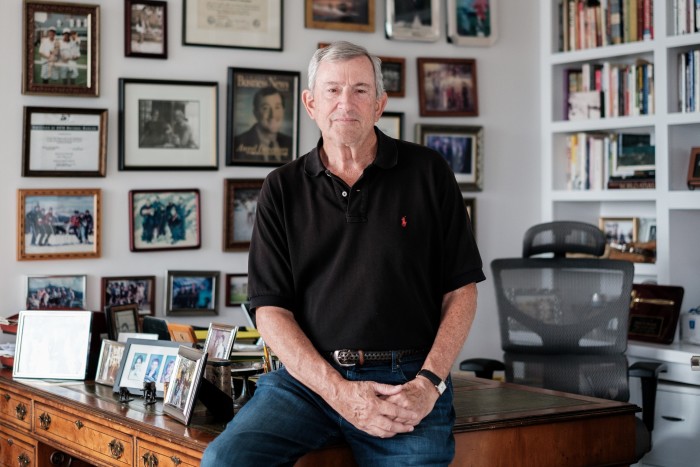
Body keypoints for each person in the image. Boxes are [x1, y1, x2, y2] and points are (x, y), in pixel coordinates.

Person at [201, 41, 484, 466]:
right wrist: (337, 390)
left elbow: (461, 291)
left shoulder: (429, 172)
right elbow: (271, 311)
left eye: (360, 90)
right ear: (311, 103)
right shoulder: (281, 187)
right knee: (225, 461)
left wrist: (428, 383)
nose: (345, 103)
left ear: (380, 103)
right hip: (307, 384)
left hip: (404, 379)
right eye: (332, 91)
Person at [233, 86, 293, 163]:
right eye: (266, 108)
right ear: (255, 112)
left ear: (283, 110)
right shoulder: (238, 143)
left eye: (277, 107)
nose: (273, 115)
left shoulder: (290, 143)